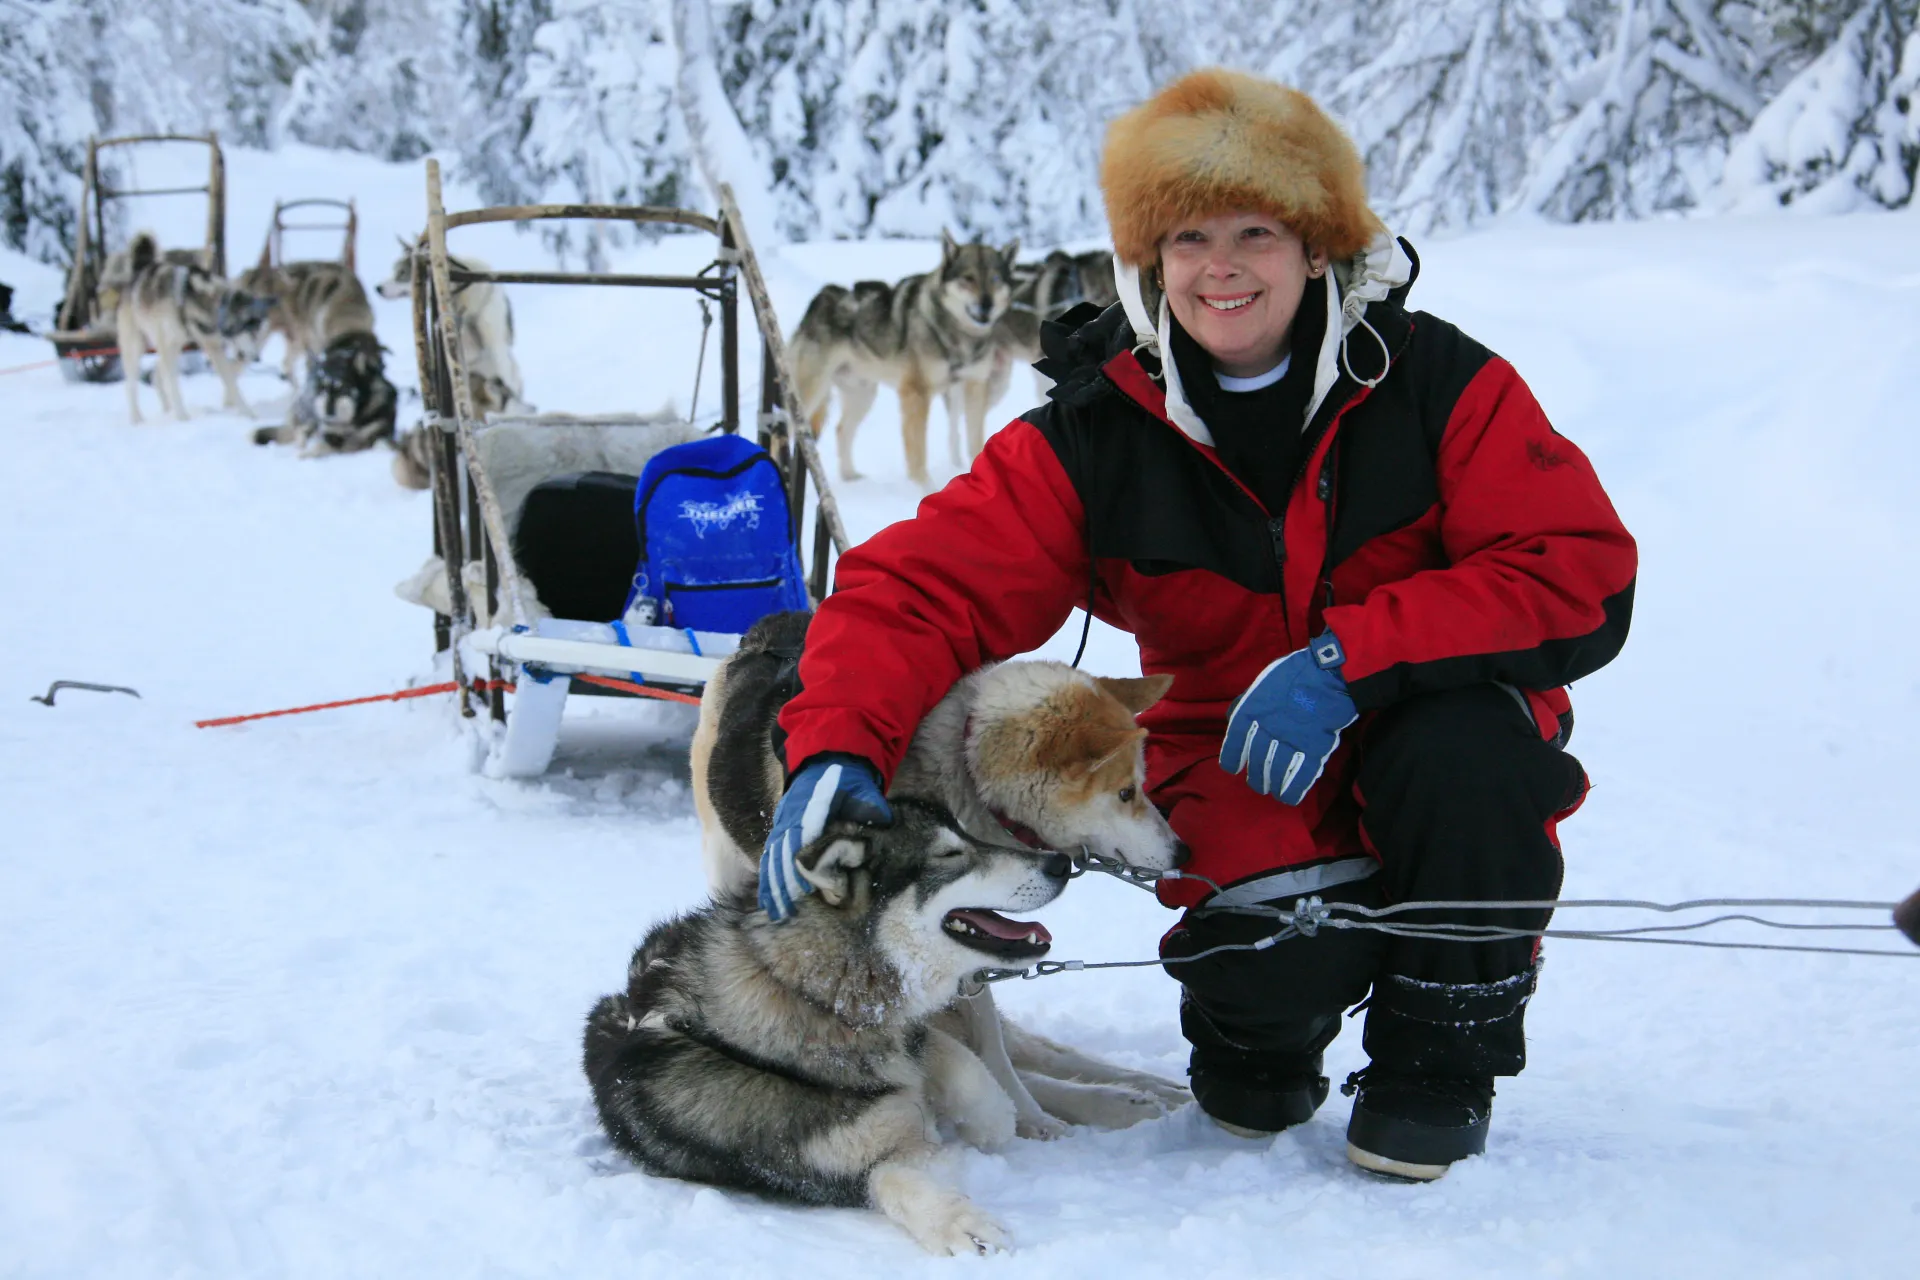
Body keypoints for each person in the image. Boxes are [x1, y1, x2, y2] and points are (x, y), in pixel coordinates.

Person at [756, 68, 1637, 1180]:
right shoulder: (1099, 429)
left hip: (1429, 727)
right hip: (1236, 762)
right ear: (1148, 260)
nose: (1220, 266)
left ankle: (1439, 1054)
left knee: (1472, 760)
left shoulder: (1436, 384)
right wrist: (838, 738)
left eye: (1256, 230)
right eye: (1186, 237)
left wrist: (1352, 656)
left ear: (1318, 246)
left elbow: (1579, 570)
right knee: (1254, 1071)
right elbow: (919, 588)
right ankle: (1259, 1033)